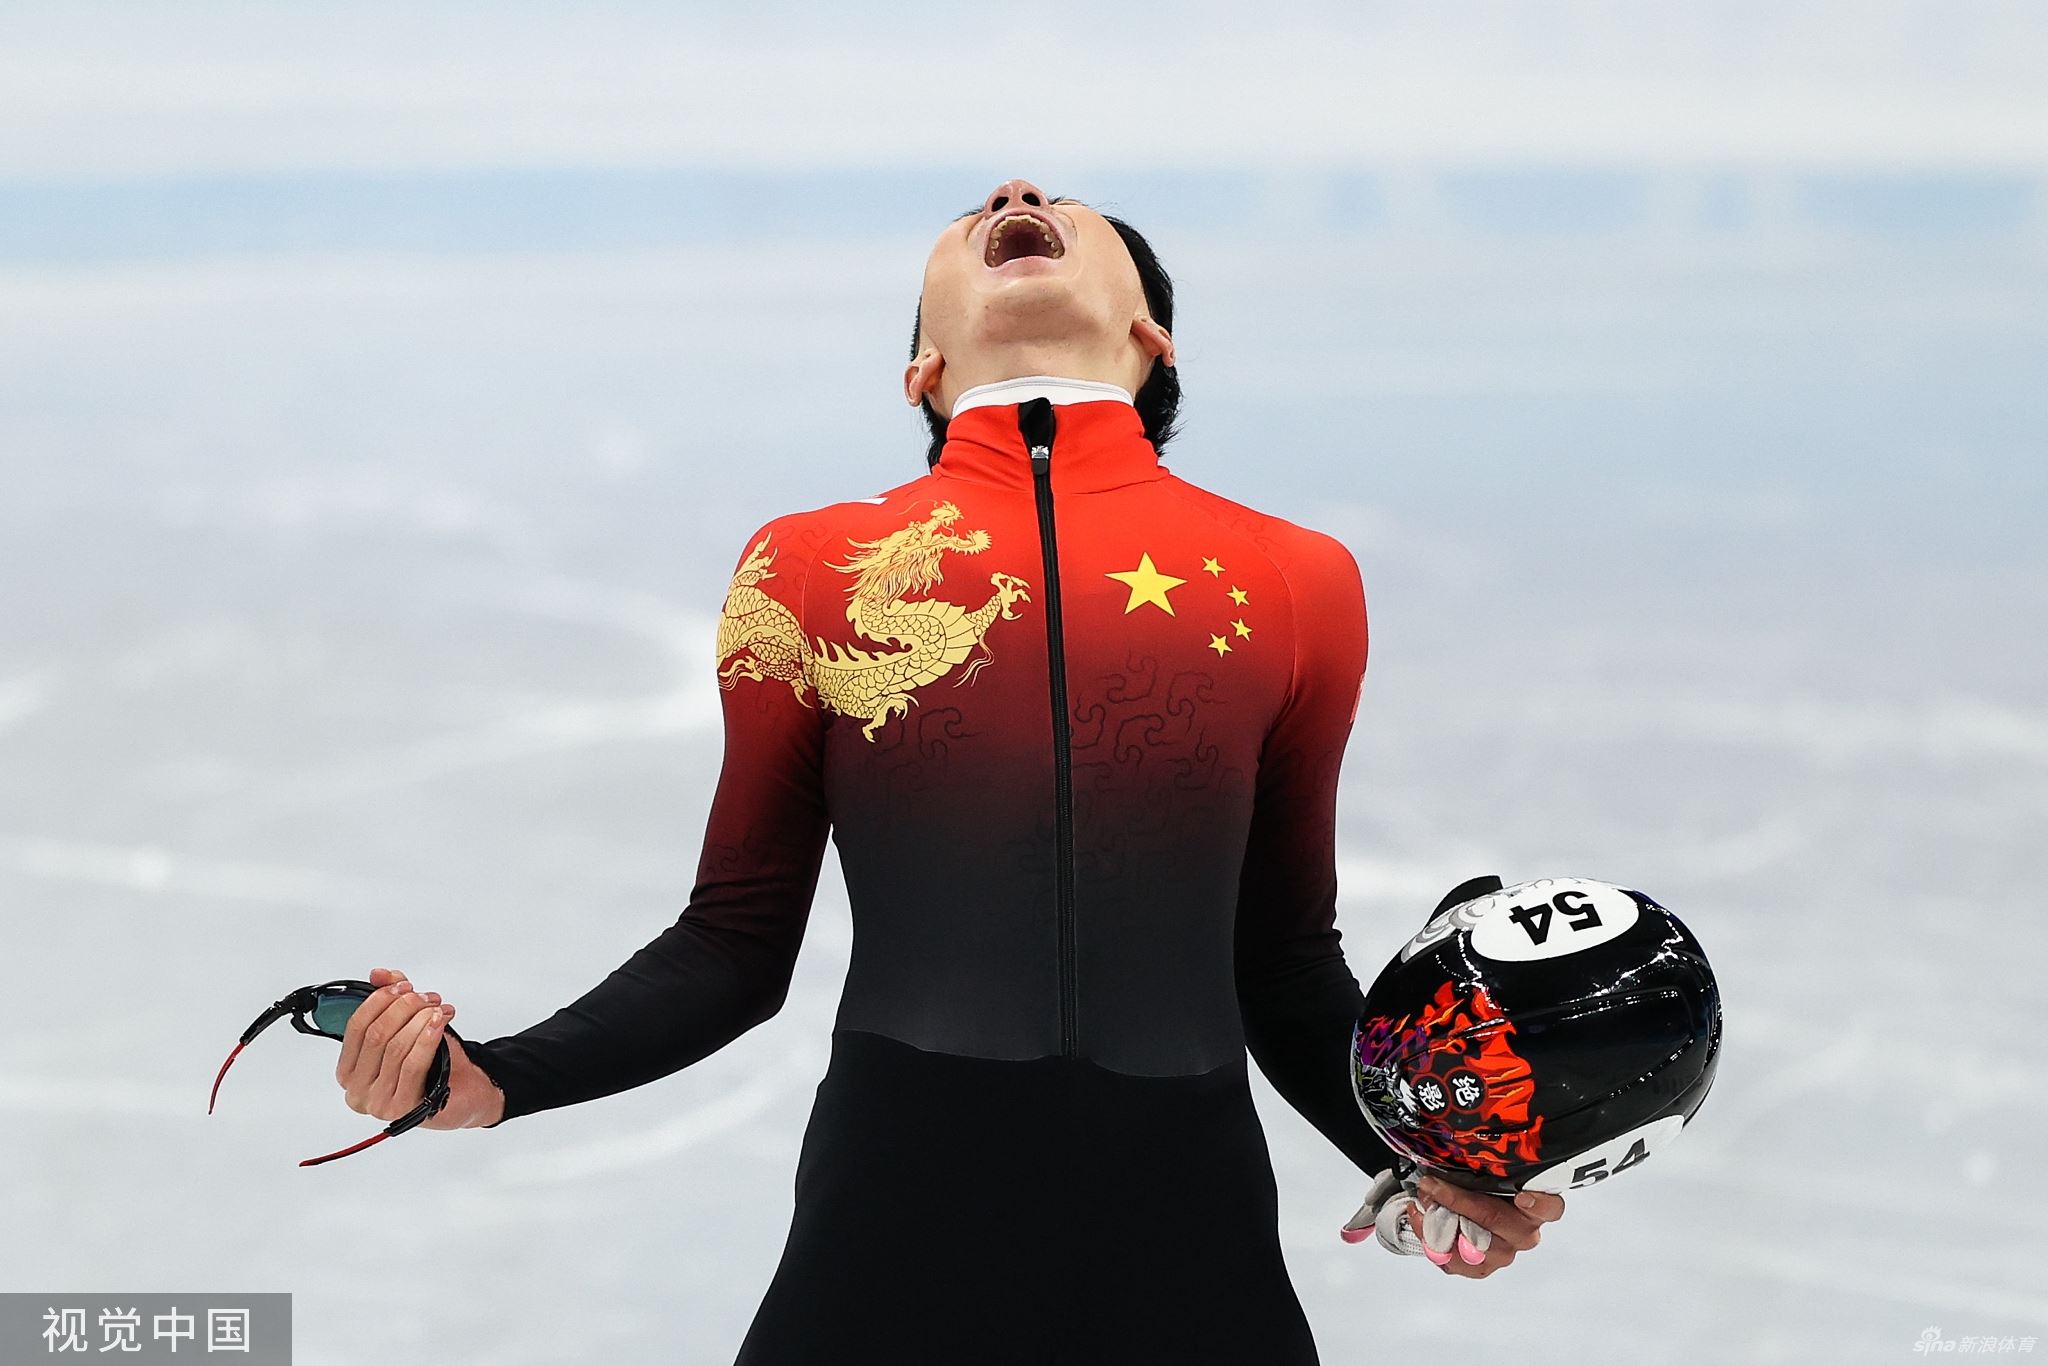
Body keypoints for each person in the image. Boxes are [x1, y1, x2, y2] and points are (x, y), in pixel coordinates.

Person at [335, 178, 1566, 1364]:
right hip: (890, 1226)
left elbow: (1282, 961)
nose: (1015, 190)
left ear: (1152, 337)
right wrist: (501, 1078)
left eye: (1069, 210)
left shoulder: (1297, 581)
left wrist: (1425, 1158)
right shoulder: (806, 569)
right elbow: (733, 942)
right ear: (921, 364)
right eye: (971, 214)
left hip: (1187, 1242)